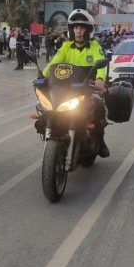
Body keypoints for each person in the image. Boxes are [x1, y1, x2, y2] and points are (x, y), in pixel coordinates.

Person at [42, 9, 110, 157]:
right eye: (76, 28)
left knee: (98, 107)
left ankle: (100, 140)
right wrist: (41, 76)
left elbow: (101, 65)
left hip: (87, 89)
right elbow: (54, 63)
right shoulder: (66, 47)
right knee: (46, 109)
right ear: (72, 30)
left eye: (82, 28)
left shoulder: (94, 46)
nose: (78, 31)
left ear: (88, 30)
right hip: (67, 89)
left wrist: (99, 80)